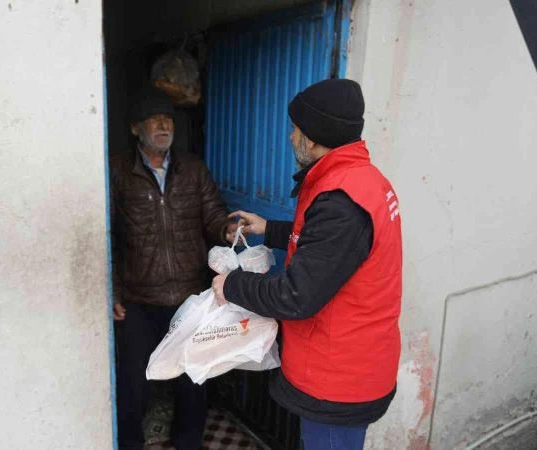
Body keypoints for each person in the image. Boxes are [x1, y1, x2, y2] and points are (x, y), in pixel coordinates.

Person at [211, 79, 402, 450]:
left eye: (295, 130)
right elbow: (328, 249)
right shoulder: (359, 180)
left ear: (312, 139)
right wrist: (269, 229)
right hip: (349, 365)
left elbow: (297, 295)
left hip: (338, 380)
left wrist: (230, 285)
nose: (289, 138)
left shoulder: (342, 202)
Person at [110, 86, 237, 450]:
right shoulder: (118, 171)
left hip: (188, 295)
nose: (164, 125)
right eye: (154, 120)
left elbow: (213, 214)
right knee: (134, 380)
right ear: (136, 128)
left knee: (193, 378)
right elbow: (108, 234)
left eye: (168, 119)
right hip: (138, 296)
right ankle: (130, 443)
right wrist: (113, 290)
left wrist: (226, 228)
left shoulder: (192, 169)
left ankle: (188, 443)